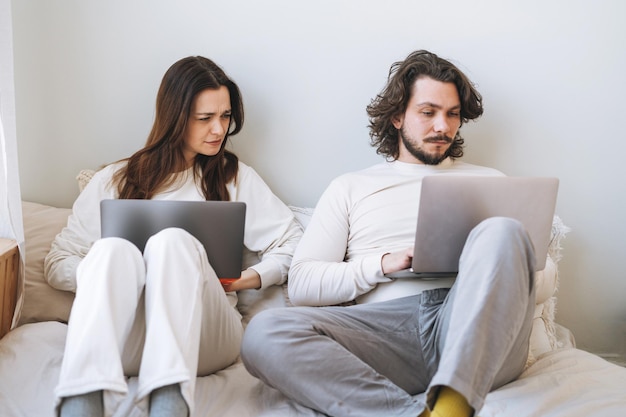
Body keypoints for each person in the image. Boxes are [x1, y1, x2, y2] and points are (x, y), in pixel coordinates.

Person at [240, 50, 536, 417]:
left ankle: (456, 399)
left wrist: (481, 263)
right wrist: (381, 265)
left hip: (479, 326)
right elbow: (302, 284)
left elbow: (540, 277)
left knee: (502, 231)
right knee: (265, 331)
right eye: (428, 113)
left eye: (453, 114)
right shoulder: (351, 187)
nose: (443, 126)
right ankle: (419, 412)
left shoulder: (492, 182)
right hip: (389, 333)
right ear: (397, 116)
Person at [44, 56, 303, 417]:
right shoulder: (115, 180)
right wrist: (124, 274)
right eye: (204, 118)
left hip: (208, 337)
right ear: (174, 117)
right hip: (127, 339)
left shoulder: (234, 177)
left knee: (172, 241)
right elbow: (58, 262)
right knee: (112, 251)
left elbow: (292, 241)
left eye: (225, 116)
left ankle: (169, 401)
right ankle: (81, 402)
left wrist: (248, 279)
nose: (219, 130)